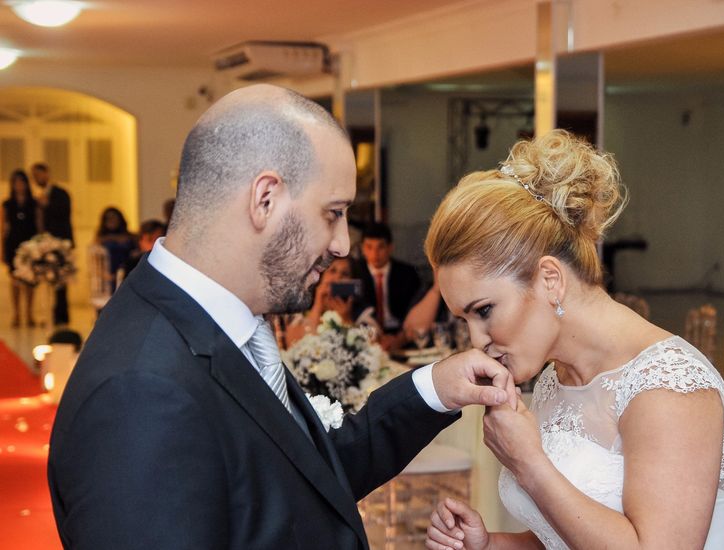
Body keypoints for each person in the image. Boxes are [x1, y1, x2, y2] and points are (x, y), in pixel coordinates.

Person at [48, 83, 516, 550]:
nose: (343, 245)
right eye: (333, 213)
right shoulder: (141, 393)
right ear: (265, 199)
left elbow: (303, 476)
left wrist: (436, 387)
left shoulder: (222, 325)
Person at [423, 130, 724, 550]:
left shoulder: (668, 388)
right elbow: (564, 537)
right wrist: (489, 544)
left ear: (550, 279)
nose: (477, 340)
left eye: (484, 311)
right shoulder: (559, 378)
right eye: (465, 319)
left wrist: (530, 465)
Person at [352, 222, 422, 350]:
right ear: (362, 249)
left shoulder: (407, 273)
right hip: (366, 335)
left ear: (390, 248)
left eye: (381, 247)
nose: (375, 253)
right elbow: (355, 309)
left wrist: (400, 337)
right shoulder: (354, 273)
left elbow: (415, 309)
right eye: (369, 247)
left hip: (401, 334)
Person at [281, 256, 359, 347]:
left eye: (345, 274)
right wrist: (318, 305)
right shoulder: (299, 318)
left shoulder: (361, 316)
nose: (338, 277)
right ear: (322, 276)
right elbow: (297, 346)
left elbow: (358, 348)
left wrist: (346, 319)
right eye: (333, 271)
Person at [32, 162, 73, 326]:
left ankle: (61, 315)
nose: (36, 178)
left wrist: (46, 205)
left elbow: (64, 214)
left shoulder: (60, 193)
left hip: (60, 242)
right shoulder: (38, 195)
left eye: (38, 174)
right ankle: (49, 314)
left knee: (61, 280)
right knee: (47, 278)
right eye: (33, 176)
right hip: (45, 242)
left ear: (46, 173)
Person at [2, 169, 40, 327]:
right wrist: (2, 249)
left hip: (30, 243)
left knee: (30, 281)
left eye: (22, 182)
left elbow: (39, 225)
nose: (19, 185)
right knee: (15, 281)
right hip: (13, 243)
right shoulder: (7, 204)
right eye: (16, 182)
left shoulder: (34, 203)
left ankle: (29, 313)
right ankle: (17, 314)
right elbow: (3, 227)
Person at [95, 206, 138, 291]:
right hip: (108, 275)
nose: (111, 220)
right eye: (108, 218)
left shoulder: (130, 236)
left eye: (114, 217)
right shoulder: (101, 238)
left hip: (128, 271)